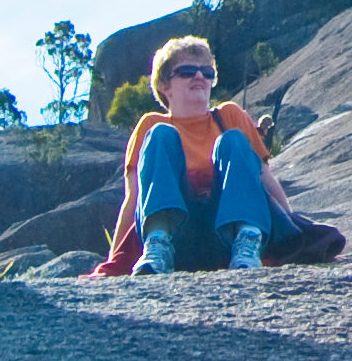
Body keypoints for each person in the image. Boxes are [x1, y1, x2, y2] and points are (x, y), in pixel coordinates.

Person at [98, 36, 295, 276]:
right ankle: (158, 245)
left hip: (225, 236)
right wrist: (114, 260)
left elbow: (264, 178)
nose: (200, 76)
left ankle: (247, 242)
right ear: (164, 85)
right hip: (180, 237)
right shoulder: (151, 126)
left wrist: (296, 231)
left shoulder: (230, 116)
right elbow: (135, 197)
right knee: (160, 134)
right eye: (188, 71)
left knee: (233, 140)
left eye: (207, 72)